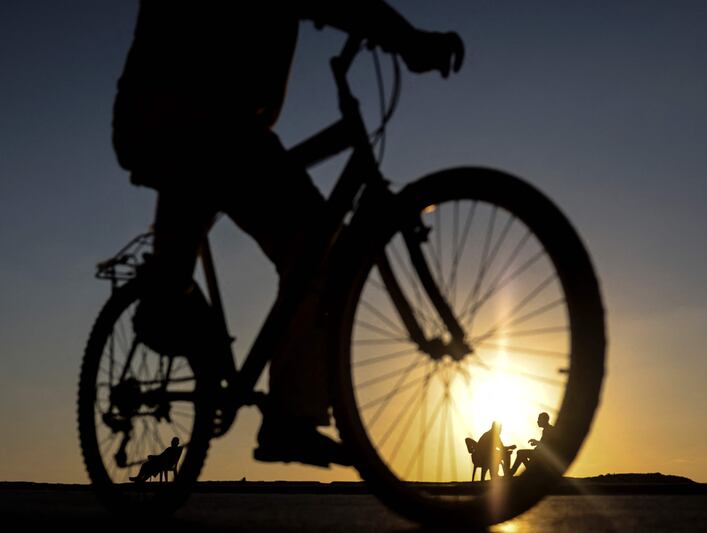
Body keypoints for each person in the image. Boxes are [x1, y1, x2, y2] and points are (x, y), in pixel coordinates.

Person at [111, 2, 464, 468]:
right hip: (194, 117)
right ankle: (286, 412)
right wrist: (407, 39)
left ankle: (173, 293)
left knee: (306, 242)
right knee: (318, 247)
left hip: (203, 121)